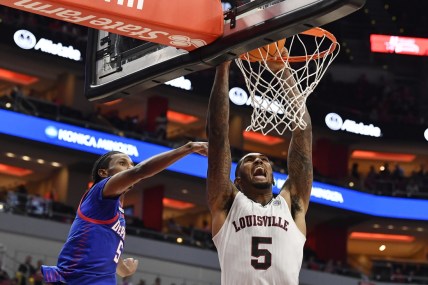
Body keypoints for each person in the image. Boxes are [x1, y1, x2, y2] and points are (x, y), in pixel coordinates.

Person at [41, 141, 208, 285]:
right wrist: (189, 148)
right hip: (77, 279)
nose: (129, 167)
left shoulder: (116, 211)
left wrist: (121, 267)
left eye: (131, 164)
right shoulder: (100, 190)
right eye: (122, 163)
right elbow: (140, 171)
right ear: (104, 173)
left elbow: (104, 247)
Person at [206, 60, 312, 284]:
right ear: (237, 180)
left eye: (264, 160)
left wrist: (283, 72)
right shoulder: (227, 202)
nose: (259, 162)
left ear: (273, 178)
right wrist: (223, 65)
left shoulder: (291, 203)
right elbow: (217, 134)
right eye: (249, 161)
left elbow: (303, 132)